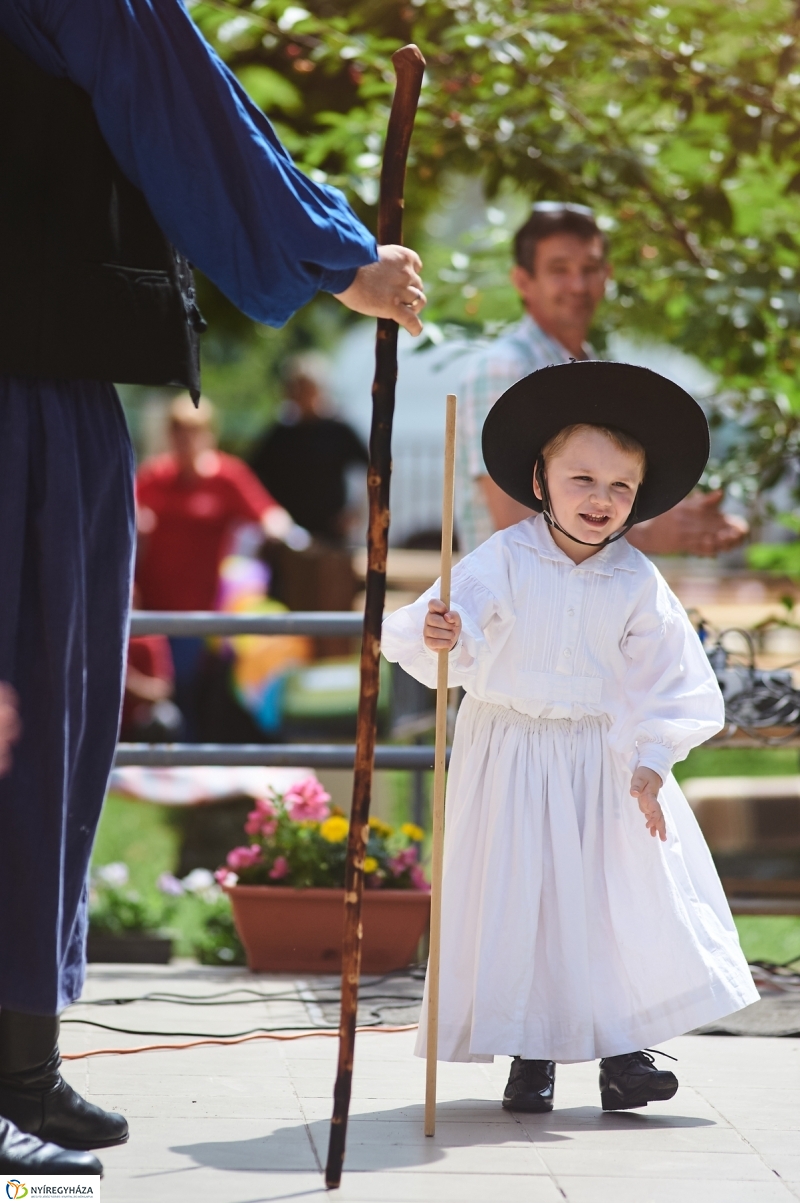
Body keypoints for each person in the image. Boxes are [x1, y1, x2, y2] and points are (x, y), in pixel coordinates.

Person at [0, 0, 426, 1171]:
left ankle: (20, 1067)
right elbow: (184, 110)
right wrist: (337, 257)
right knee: (31, 714)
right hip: (18, 388)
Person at [383, 361, 757, 1113]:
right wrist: (440, 631)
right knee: (527, 899)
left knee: (607, 898)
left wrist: (653, 762)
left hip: (597, 758)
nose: (601, 499)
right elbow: (433, 642)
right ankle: (532, 1057)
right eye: (582, 478)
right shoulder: (500, 561)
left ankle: (623, 1054)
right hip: (512, 754)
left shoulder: (635, 580)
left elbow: (671, 680)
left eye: (621, 487)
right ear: (540, 479)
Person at [456, 202, 748, 557]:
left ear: (607, 275)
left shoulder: (593, 372)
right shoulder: (503, 368)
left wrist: (680, 523)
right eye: (559, 269)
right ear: (522, 281)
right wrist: (650, 534)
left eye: (590, 268)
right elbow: (515, 521)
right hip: (513, 609)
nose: (578, 284)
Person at [249, 354, 369, 545]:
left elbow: (372, 471)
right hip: (288, 533)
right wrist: (269, 513)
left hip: (331, 531)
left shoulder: (339, 430)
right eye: (295, 389)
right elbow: (253, 477)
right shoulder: (280, 433)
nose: (300, 395)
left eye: (306, 388)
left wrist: (356, 511)